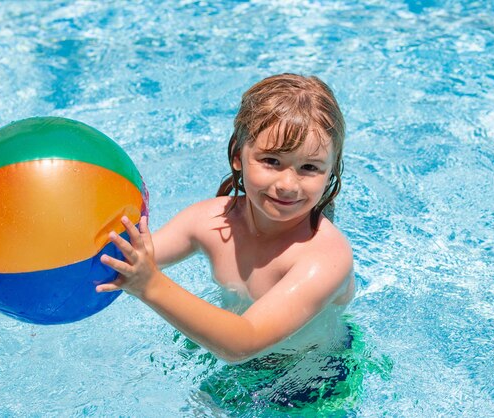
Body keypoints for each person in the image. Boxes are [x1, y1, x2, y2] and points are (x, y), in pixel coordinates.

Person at [97, 73, 355, 364]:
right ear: (237, 154)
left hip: (315, 375)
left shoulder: (325, 257)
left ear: (331, 172)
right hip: (234, 352)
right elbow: (124, 262)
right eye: (271, 161)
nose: (288, 184)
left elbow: (243, 343)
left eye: (309, 167)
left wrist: (151, 286)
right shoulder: (210, 221)